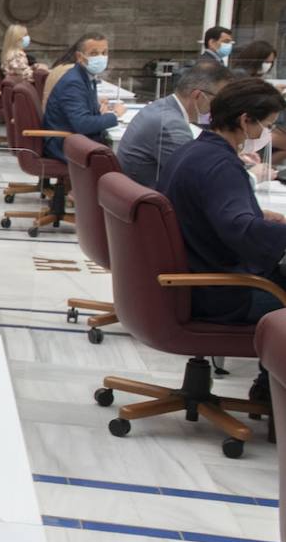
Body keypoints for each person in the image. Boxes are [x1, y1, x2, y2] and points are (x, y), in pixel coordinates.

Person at [156, 77, 286, 325]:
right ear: (245, 120)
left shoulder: (192, 150)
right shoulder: (222, 166)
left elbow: (207, 211)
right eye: (267, 126)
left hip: (191, 277)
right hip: (218, 294)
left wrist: (260, 216)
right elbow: (240, 228)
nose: (267, 134)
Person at [116, 62, 233, 187]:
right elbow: (198, 180)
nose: (220, 106)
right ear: (198, 95)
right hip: (152, 195)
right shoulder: (173, 125)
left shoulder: (160, 106)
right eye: (219, 99)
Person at [41, 32, 125, 162]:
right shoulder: (73, 82)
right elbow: (83, 124)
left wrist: (98, 110)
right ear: (80, 57)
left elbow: (82, 113)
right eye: (94, 53)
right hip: (64, 144)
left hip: (75, 138)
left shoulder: (85, 76)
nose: (101, 57)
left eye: (104, 53)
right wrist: (115, 115)